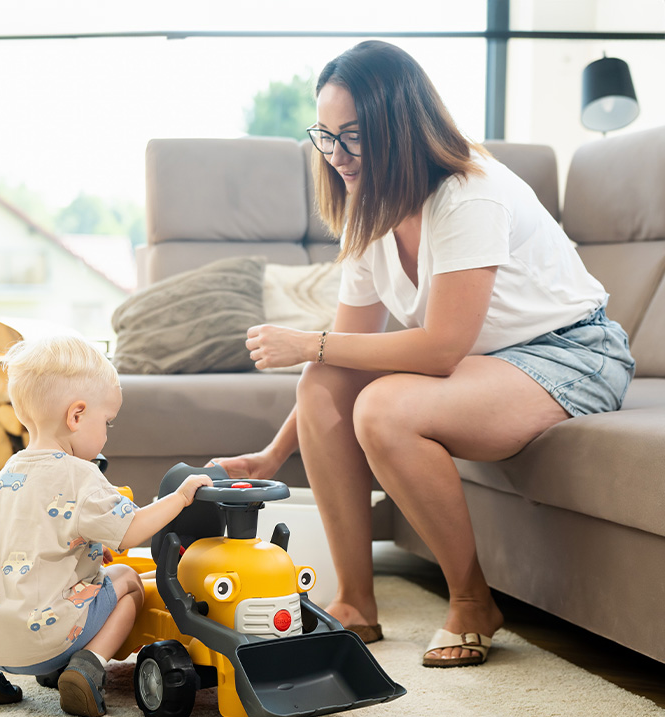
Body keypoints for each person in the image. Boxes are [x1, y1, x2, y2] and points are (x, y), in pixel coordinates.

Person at [211, 41, 635, 667]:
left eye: (353, 136)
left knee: (383, 407)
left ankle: (471, 603)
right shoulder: (371, 205)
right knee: (325, 379)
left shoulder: (468, 194)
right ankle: (356, 605)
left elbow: (439, 350)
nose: (336, 156)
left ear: (401, 125)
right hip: (489, 364)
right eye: (325, 136)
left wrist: (305, 342)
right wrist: (277, 452)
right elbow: (341, 354)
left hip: (571, 354)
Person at [0, 333, 211, 716]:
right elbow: (132, 529)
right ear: (77, 415)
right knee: (128, 581)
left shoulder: (7, 474)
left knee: (8, 584)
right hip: (51, 640)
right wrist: (179, 498)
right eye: (107, 422)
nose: (106, 433)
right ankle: (88, 667)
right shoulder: (81, 477)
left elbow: (22, 541)